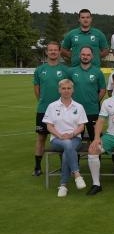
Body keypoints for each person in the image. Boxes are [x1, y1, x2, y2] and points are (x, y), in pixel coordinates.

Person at [42, 79, 88, 197]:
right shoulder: (52, 106)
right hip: (57, 139)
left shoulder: (79, 106)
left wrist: (72, 134)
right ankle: (77, 175)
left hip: (75, 138)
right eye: (63, 88)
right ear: (59, 90)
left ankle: (63, 185)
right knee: (67, 144)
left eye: (68, 88)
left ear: (72, 90)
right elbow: (49, 126)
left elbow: (81, 126)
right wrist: (60, 135)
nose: (66, 91)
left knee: (67, 151)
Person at [33, 42, 69, 176]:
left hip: (62, 110)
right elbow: (37, 89)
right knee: (41, 138)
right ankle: (37, 167)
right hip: (43, 110)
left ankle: (63, 166)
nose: (53, 52)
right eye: (50, 50)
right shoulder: (40, 70)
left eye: (55, 50)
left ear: (59, 52)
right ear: (46, 52)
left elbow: (69, 88)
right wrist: (44, 103)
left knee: (62, 138)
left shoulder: (66, 70)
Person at [69, 46, 106, 142]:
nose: (85, 57)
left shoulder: (97, 72)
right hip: (75, 111)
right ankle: (74, 157)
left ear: (92, 56)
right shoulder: (71, 71)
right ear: (79, 55)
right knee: (75, 140)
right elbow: (66, 89)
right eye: (83, 54)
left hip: (92, 110)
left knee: (96, 139)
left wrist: (95, 101)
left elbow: (102, 89)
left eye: (88, 55)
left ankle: (96, 157)